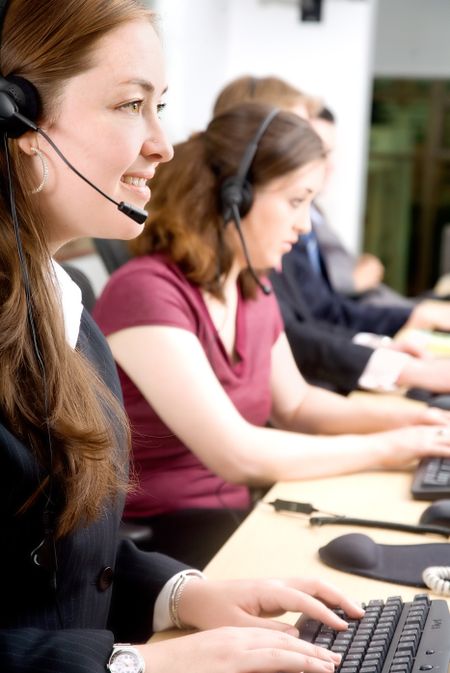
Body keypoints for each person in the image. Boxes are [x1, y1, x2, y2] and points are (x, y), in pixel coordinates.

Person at [0, 2, 369, 672]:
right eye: (129, 104)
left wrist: (187, 593)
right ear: (17, 120)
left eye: (159, 105)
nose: (162, 143)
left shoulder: (66, 310)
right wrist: (145, 664)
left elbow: (70, 554)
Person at [93, 101, 450, 571]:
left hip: (236, 513)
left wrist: (417, 425)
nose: (304, 227)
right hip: (160, 541)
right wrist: (388, 449)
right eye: (296, 201)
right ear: (234, 198)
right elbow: (238, 454)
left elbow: (297, 405)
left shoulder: (250, 286)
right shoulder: (146, 292)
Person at [212, 74, 450, 395]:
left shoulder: (267, 247)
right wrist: (406, 370)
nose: (314, 159)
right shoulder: (224, 259)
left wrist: (388, 356)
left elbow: (311, 331)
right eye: (295, 138)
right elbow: (300, 340)